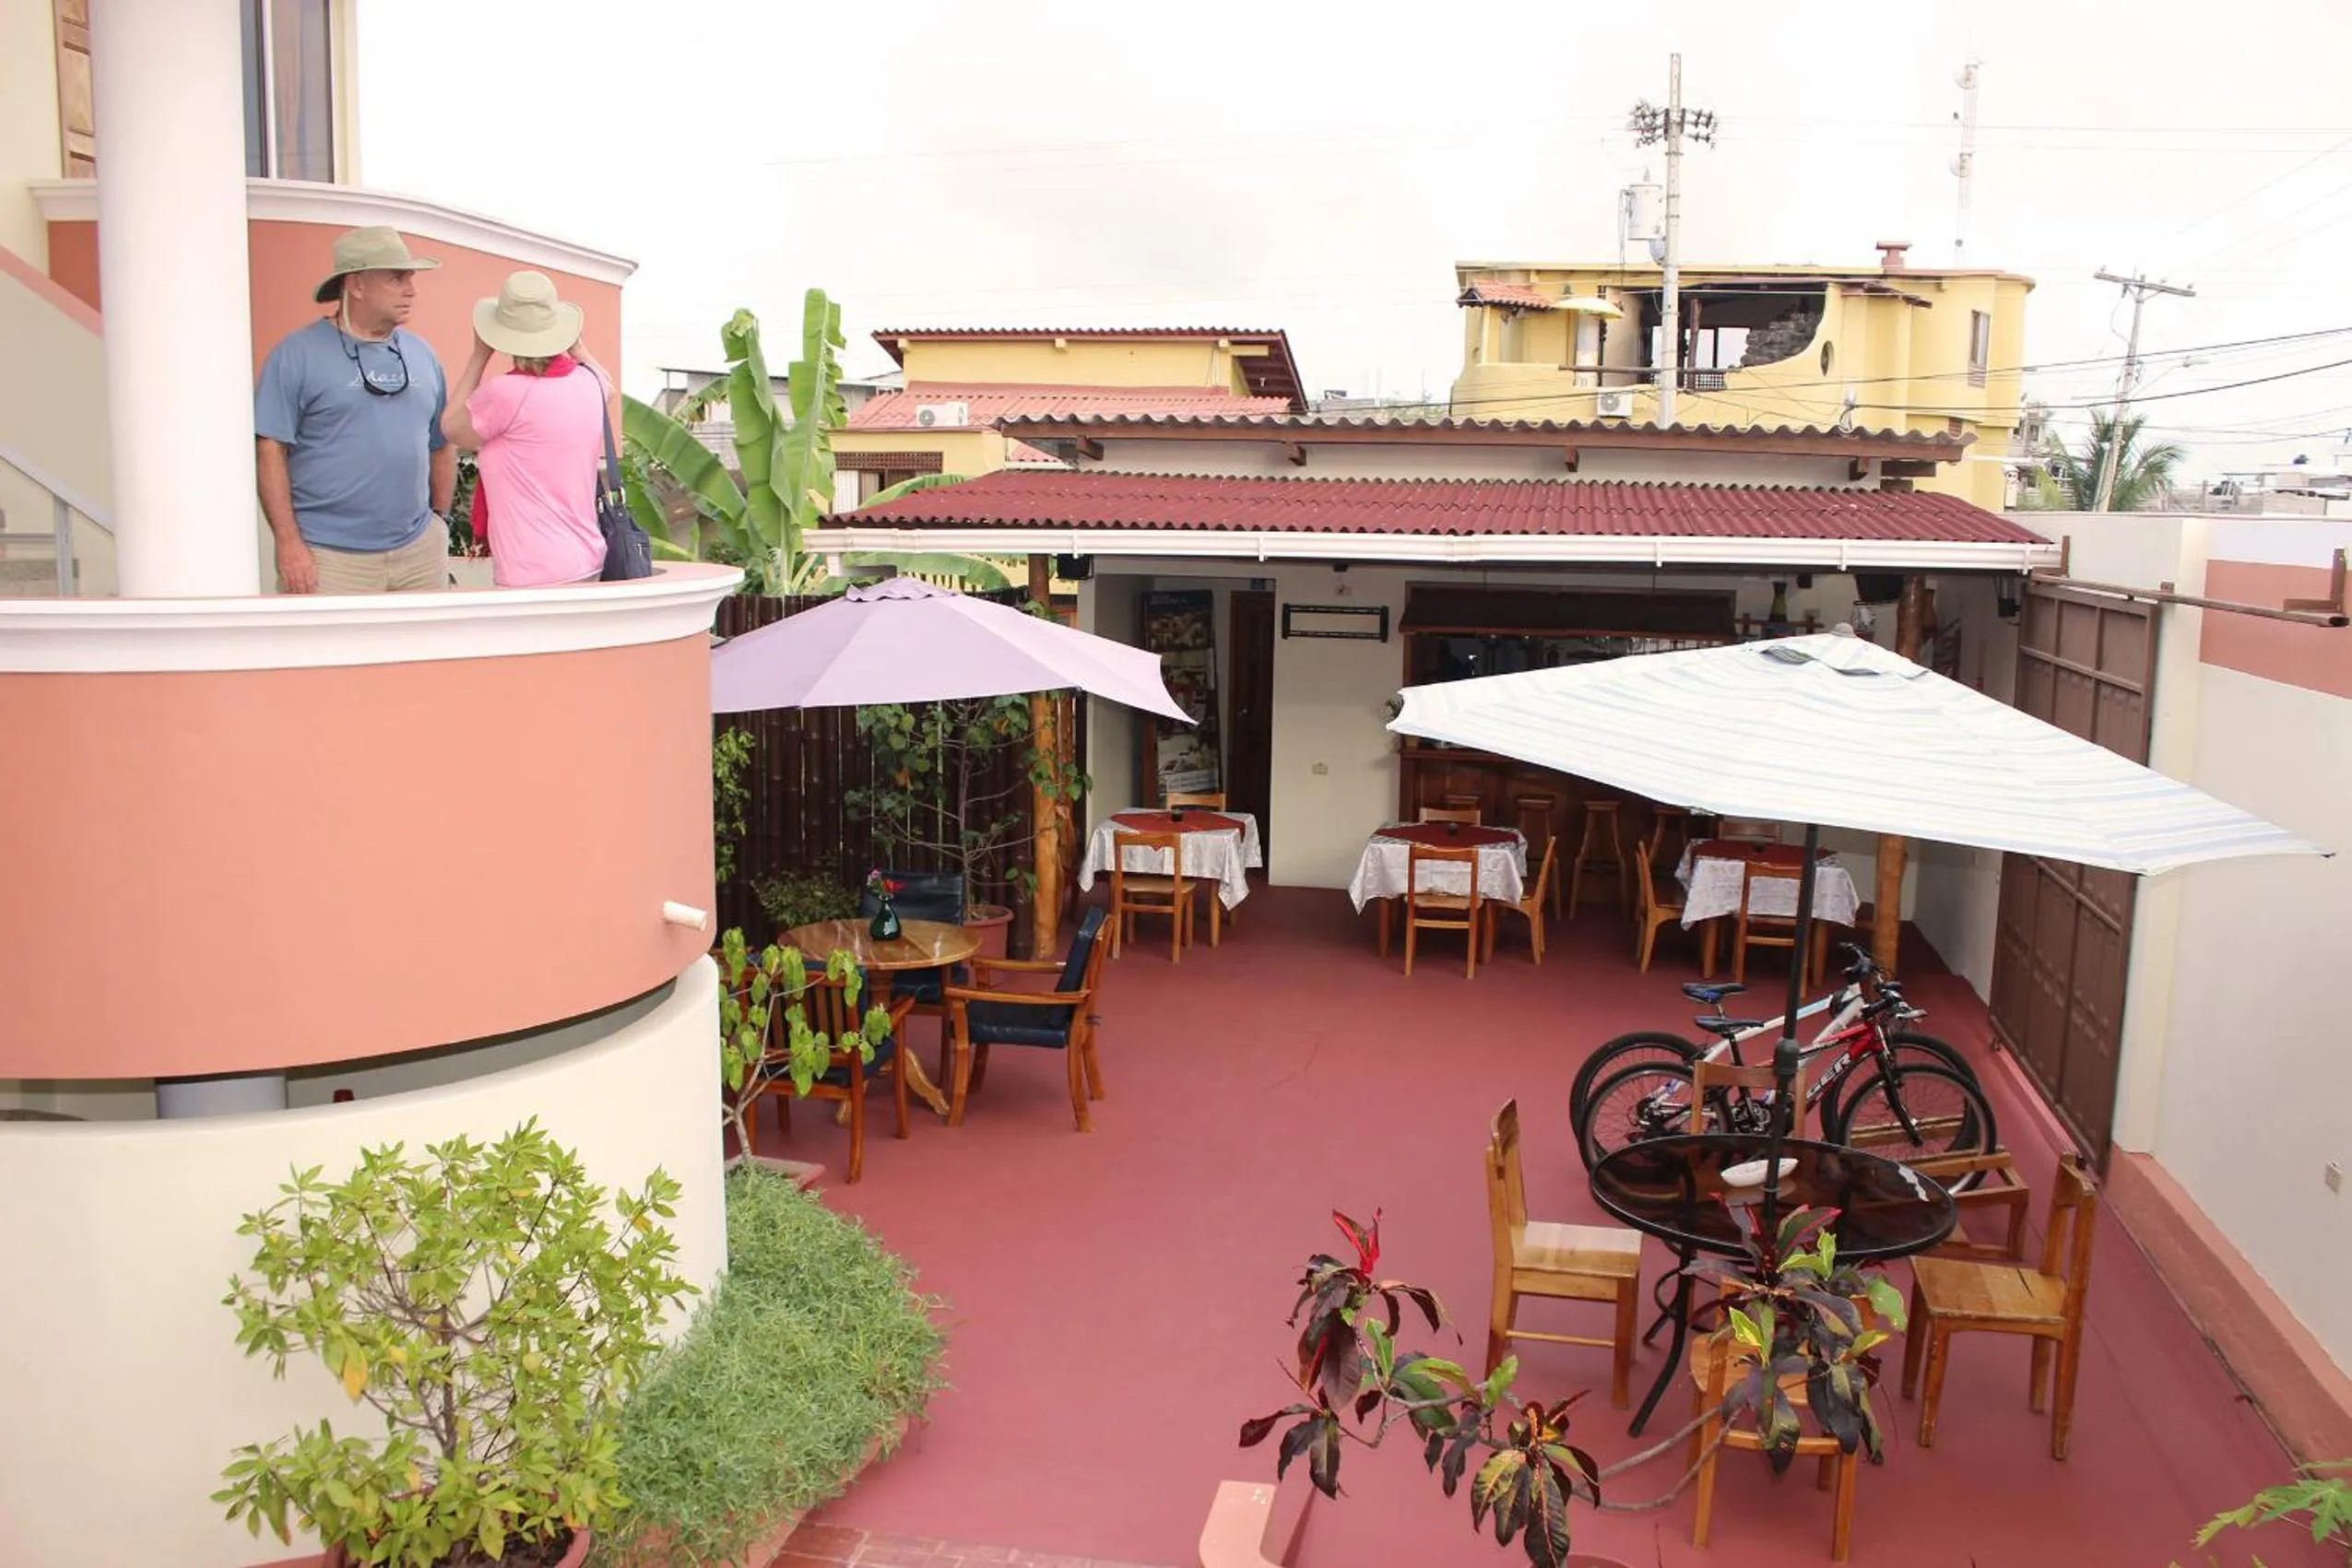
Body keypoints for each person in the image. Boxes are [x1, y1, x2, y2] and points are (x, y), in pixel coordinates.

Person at [254, 226, 455, 594]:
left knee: (424, 653)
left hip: (419, 554)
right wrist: (288, 543)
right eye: (397, 279)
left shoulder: (422, 354)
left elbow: (441, 443)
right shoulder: (296, 354)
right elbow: (270, 450)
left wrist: (439, 523)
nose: (411, 290)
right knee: (323, 653)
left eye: (410, 278)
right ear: (357, 285)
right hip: (329, 559)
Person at [440, 271, 615, 588]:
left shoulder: (506, 393)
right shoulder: (590, 383)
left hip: (533, 571)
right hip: (587, 558)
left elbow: (451, 427)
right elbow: (607, 383)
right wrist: (576, 344)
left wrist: (478, 357)